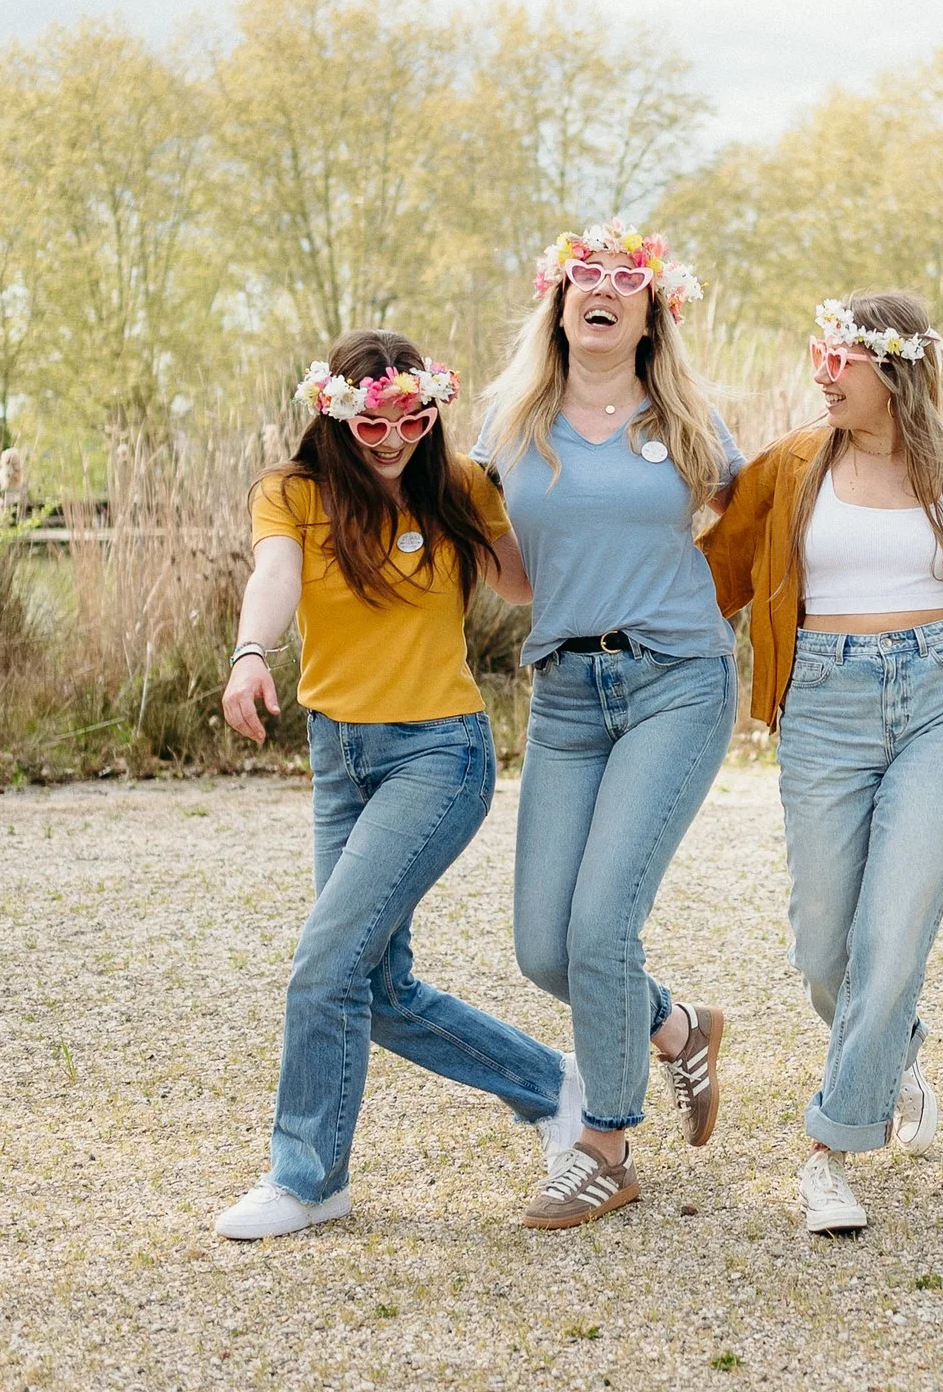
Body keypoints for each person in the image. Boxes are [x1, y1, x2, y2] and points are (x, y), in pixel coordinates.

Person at [214, 332, 584, 1240]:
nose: (392, 439)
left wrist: (530, 489)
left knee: (325, 965)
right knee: (374, 988)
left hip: (438, 754)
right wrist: (250, 653)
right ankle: (554, 1085)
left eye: (413, 419)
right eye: (373, 422)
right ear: (332, 413)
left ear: (433, 410)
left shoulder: (456, 484)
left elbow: (527, 584)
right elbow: (274, 576)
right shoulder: (293, 493)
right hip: (339, 757)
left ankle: (304, 1176)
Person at [699, 293, 943, 1235]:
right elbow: (706, 581)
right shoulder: (789, 466)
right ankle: (896, 1049)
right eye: (820, 356)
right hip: (825, 708)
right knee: (824, 951)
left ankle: (829, 1151)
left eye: (843, 359)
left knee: (893, 933)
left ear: (899, 369)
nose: (823, 374)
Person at [478, 221, 742, 1230]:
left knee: (600, 931)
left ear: (651, 309)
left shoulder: (687, 423)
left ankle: (605, 1143)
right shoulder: (509, 426)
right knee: (545, 946)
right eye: (582, 277)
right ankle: (679, 1027)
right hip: (566, 696)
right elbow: (501, 564)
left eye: (623, 280)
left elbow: (748, 523)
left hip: (675, 682)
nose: (601, 289)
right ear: (557, 302)